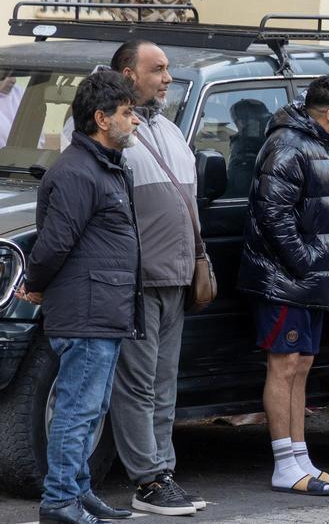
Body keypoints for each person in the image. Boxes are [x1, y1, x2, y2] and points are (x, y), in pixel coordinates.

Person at [21, 69, 142, 524]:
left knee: (90, 410)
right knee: (76, 410)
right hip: (86, 309)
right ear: (100, 118)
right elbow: (54, 242)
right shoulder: (77, 171)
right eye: (127, 114)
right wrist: (33, 283)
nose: (134, 122)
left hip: (104, 307)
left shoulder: (104, 165)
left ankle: (79, 492)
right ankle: (58, 503)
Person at [238, 76, 329, 497]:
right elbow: (273, 213)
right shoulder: (289, 145)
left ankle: (300, 457)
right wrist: (305, 263)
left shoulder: (320, 144)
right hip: (284, 280)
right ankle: (283, 463)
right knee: (284, 365)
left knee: (301, 365)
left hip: (307, 281)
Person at [103, 40, 204, 516]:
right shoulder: (107, 130)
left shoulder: (167, 126)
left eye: (167, 68)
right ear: (128, 74)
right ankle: (148, 480)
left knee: (165, 383)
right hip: (138, 279)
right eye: (157, 69)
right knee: (139, 385)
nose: (167, 77)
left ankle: (164, 473)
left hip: (175, 277)